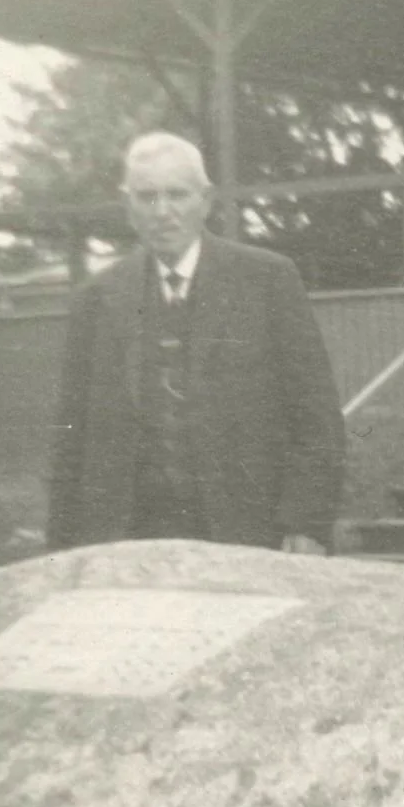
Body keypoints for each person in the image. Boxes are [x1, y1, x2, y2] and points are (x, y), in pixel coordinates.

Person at [46, 132, 344, 553]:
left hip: (248, 533)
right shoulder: (96, 299)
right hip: (127, 540)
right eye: (147, 197)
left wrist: (307, 522)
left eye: (177, 195)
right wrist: (62, 549)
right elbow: (69, 439)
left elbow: (316, 417)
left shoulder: (267, 281)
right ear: (128, 207)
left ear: (205, 200)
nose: (163, 211)